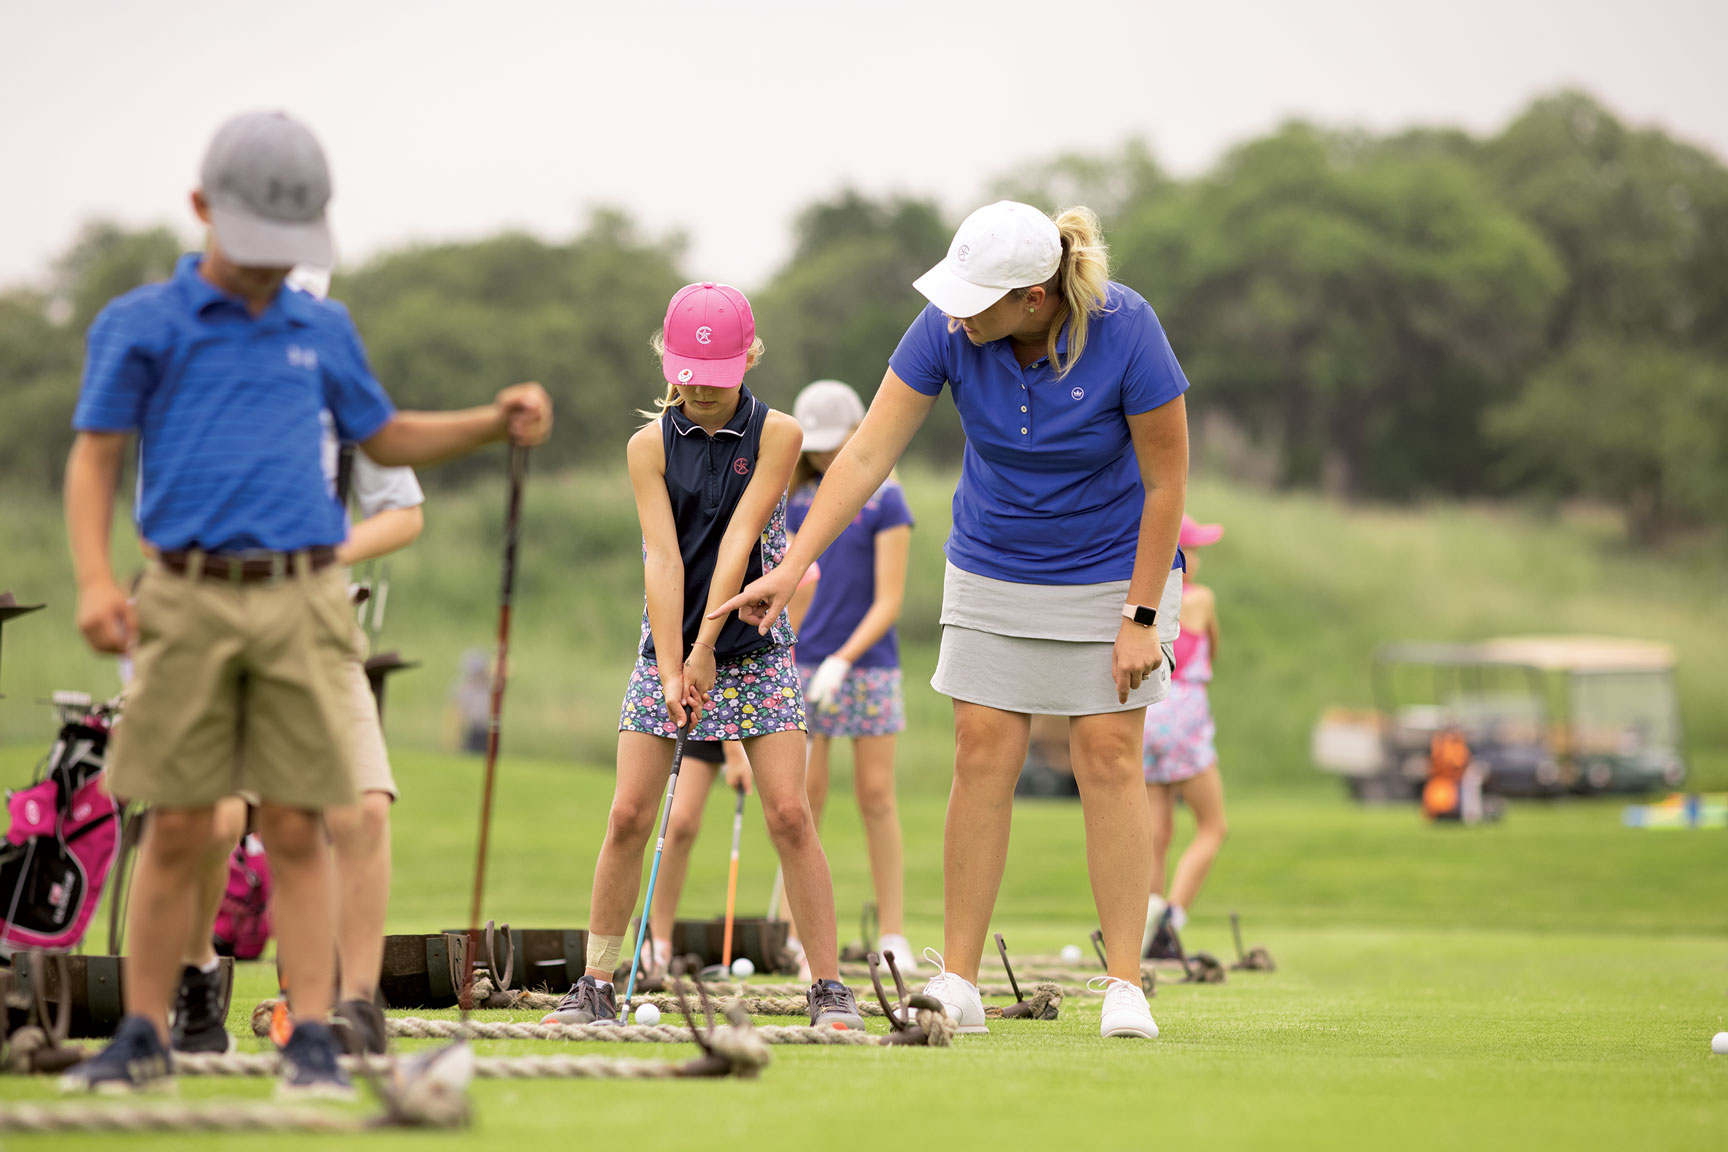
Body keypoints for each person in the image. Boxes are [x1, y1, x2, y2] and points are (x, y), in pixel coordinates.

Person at [62, 109, 553, 1096]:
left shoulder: (319, 327)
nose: (265, 269)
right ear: (202, 212)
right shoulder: (140, 326)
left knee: (299, 820)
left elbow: (390, 435)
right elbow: (95, 458)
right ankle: (144, 1032)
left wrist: (489, 423)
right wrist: (94, 580)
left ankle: (316, 1036)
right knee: (183, 821)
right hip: (186, 600)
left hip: (300, 603)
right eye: (255, 248)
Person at [716, 201, 1188, 1040]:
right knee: (981, 749)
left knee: (1110, 755)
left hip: (1115, 566)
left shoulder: (1129, 328)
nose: (958, 312)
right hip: (993, 562)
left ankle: (1125, 983)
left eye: (979, 299)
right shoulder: (947, 329)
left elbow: (1166, 482)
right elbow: (864, 455)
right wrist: (790, 567)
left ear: (1035, 300)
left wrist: (1141, 615)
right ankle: (960, 981)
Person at [543, 282, 862, 1029]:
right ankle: (596, 984)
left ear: (750, 357)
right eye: (689, 374)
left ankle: (828, 987)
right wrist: (670, 664)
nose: (702, 390)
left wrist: (709, 648)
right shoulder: (646, 447)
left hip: (752, 648)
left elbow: (739, 542)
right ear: (668, 361)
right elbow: (662, 556)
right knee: (628, 814)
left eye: (717, 379)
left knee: (788, 811)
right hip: (665, 646)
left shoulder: (779, 434)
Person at [171, 278, 428, 1058]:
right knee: (215, 821)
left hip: (322, 631)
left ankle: (355, 1003)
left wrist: (327, 552)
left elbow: (403, 511)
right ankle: (196, 977)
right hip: (217, 634)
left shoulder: (344, 387)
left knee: (365, 809)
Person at [783, 379, 918, 973]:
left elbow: (889, 601)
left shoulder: (887, 500)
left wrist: (843, 659)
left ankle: (893, 932)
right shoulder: (792, 501)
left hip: (868, 668)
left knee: (876, 797)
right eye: (816, 447)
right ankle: (794, 931)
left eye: (834, 444)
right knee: (800, 800)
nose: (823, 456)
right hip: (800, 662)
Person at [1141, 515, 1226, 959]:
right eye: (1191, 550)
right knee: (1213, 826)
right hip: (1186, 716)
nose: (1196, 558)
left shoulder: (1146, 599)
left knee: (1157, 831)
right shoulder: (1201, 599)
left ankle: (1148, 923)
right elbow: (1214, 648)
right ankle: (1171, 922)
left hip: (1149, 713)